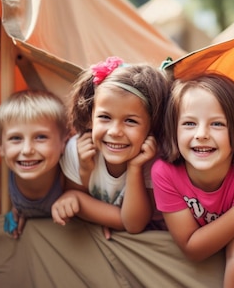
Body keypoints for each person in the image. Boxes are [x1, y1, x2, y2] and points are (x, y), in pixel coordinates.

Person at [151, 73, 234, 288]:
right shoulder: (164, 173)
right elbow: (192, 248)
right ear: (173, 132)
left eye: (217, 124)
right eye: (189, 123)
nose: (201, 134)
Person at [51, 56, 170, 236]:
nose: (115, 131)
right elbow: (72, 201)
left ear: (151, 127)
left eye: (130, 121)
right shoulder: (77, 150)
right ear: (90, 117)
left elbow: (133, 224)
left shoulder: (152, 161)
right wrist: (85, 170)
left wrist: (135, 168)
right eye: (105, 117)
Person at [0, 90, 69, 239]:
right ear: (0, 146)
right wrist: (14, 210)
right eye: (16, 138)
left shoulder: (68, 176)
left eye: (40, 137)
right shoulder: (1, 176)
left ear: (64, 142)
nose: (27, 150)